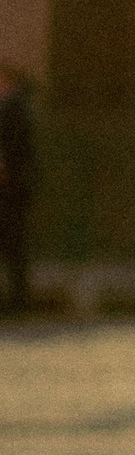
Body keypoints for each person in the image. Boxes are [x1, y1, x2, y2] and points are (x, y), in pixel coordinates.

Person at [0, 65, 34, 317]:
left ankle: (18, 300)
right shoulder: (17, 106)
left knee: (14, 242)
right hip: (14, 185)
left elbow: (18, 147)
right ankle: (17, 299)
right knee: (13, 243)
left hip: (13, 187)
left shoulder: (16, 107)